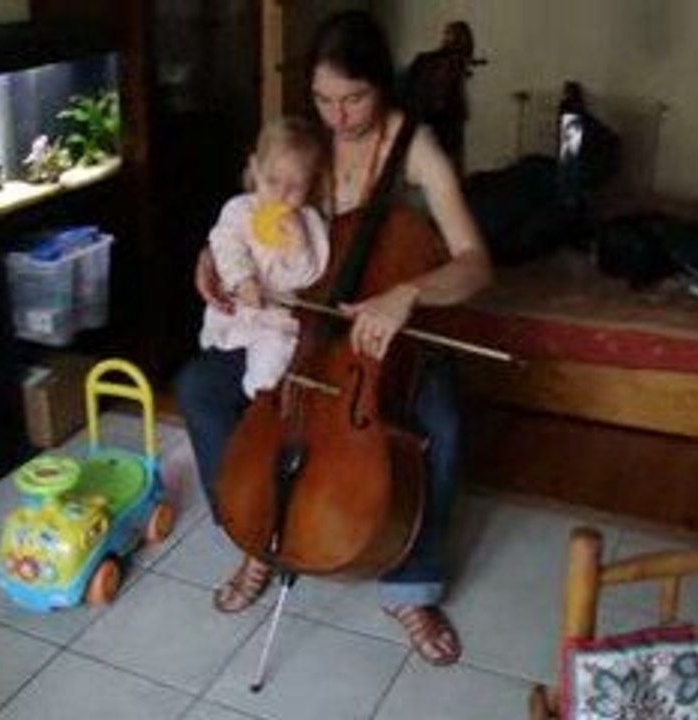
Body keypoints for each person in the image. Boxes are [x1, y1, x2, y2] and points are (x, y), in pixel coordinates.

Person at [175, 10, 492, 667]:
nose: (338, 117)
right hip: (297, 325)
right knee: (200, 389)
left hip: (382, 337)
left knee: (442, 421)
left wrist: (408, 293)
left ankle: (411, 585)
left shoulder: (416, 148)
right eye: (323, 99)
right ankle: (256, 533)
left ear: (383, 86)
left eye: (354, 99)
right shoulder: (307, 140)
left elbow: (474, 263)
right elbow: (252, 214)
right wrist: (213, 259)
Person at [199, 117, 329, 398]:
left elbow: (307, 277)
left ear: (310, 184)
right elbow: (225, 246)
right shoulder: (239, 210)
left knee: (274, 358)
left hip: (276, 320)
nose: (280, 196)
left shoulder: (309, 223)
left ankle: (260, 403)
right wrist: (242, 279)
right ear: (255, 168)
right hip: (235, 312)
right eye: (272, 181)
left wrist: (297, 243)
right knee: (220, 343)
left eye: (294, 187)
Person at [405, 20, 478, 178]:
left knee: (443, 160)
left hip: (437, 116)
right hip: (441, 116)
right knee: (446, 161)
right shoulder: (438, 61)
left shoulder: (430, 60)